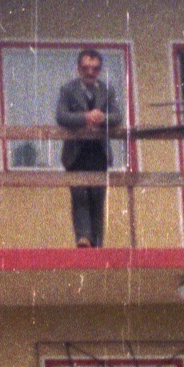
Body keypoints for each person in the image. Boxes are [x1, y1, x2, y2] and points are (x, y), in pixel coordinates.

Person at [55, 47, 122, 247]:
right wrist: (85, 117)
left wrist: (102, 118)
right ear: (78, 69)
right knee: (79, 196)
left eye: (95, 68)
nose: (90, 72)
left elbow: (117, 117)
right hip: (76, 153)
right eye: (86, 68)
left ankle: (98, 243)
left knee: (97, 198)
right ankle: (83, 239)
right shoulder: (68, 90)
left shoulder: (107, 90)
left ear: (100, 70)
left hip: (98, 153)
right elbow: (61, 116)